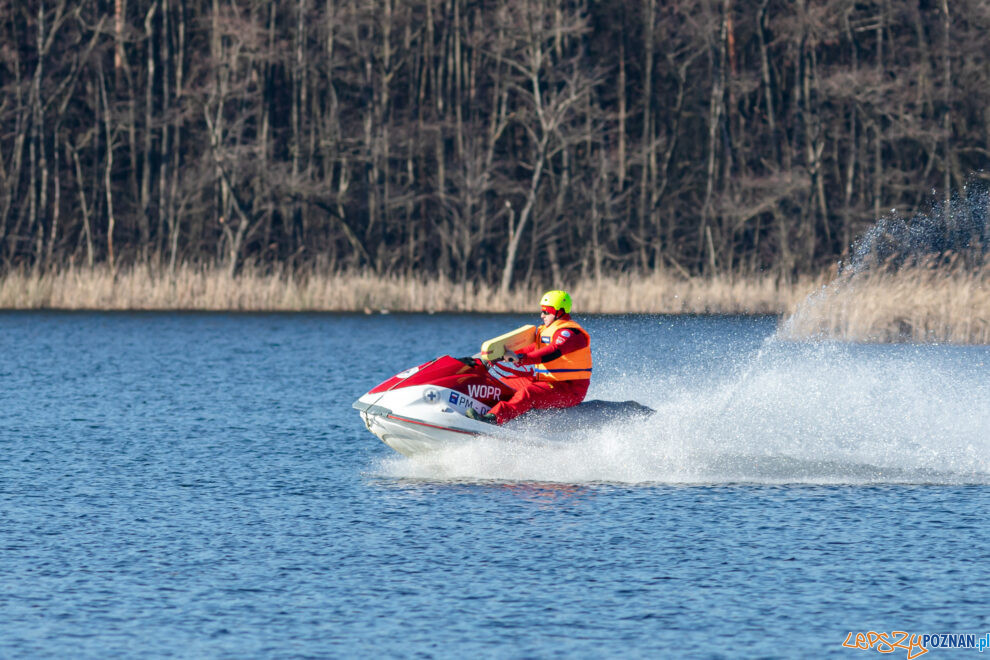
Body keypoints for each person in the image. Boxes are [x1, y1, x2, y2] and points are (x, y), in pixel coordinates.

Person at [467, 290, 592, 425]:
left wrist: (521, 358)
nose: (542, 315)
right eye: (542, 311)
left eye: (546, 312)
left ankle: (492, 420)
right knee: (501, 383)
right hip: (545, 381)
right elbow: (530, 349)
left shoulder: (572, 333)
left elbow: (553, 351)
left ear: (560, 312)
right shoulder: (546, 331)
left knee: (528, 394)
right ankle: (473, 409)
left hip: (569, 389)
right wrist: (497, 356)